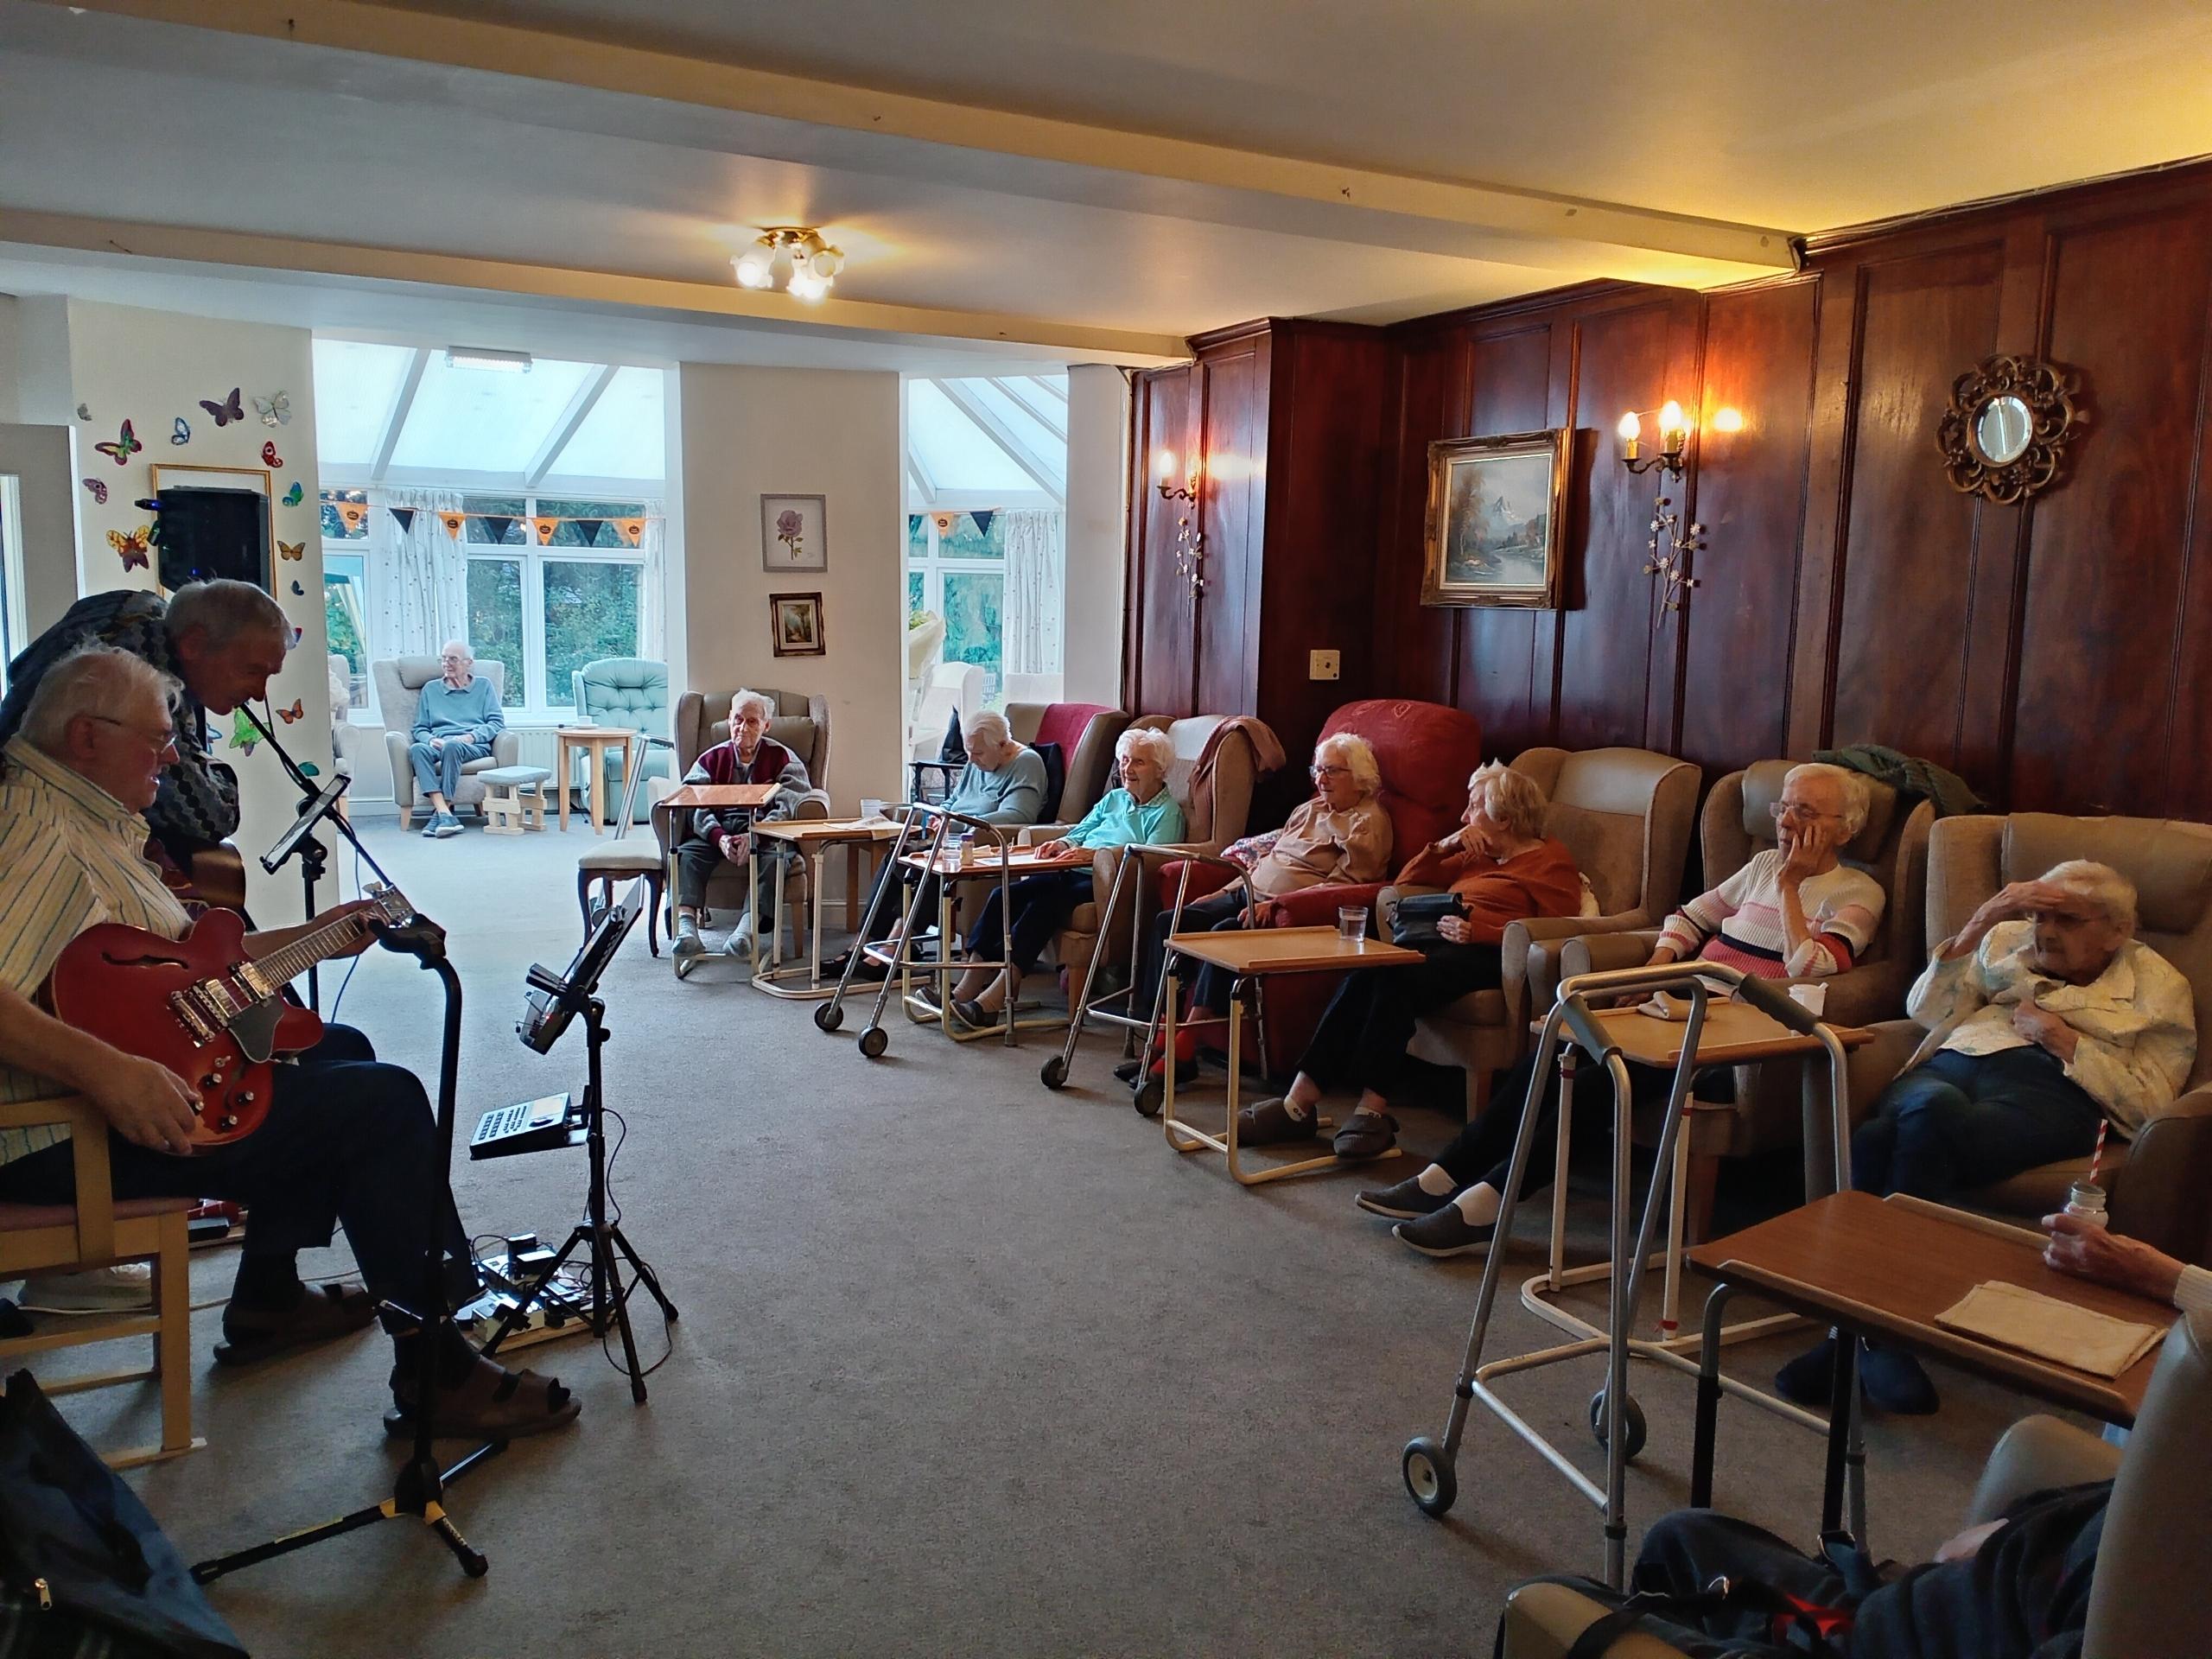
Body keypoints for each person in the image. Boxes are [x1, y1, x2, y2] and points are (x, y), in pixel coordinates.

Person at [0, 647, 576, 1438]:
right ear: (86, 736)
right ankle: (436, 1368)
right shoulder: (31, 833)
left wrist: (315, 934)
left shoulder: (78, 814)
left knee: (337, 1047)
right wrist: (109, 1072)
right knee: (385, 1106)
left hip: (116, 1090)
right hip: (65, 1133)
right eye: (158, 739)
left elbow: (190, 972)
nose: (174, 757)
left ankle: (266, 1300)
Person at [1608, 1212, 2205, 1659]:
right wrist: (2008, 1529)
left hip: (1879, 1640)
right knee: (1687, 1536)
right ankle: (1864, 1343)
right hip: (1921, 1600)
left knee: (1589, 1596)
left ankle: (1866, 1346)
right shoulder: (2167, 1503)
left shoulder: (2158, 1592)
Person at [1366, 761, 1885, 1256]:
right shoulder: (1762, 865)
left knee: (1601, 1083)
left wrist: (1792, 888)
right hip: (1677, 1004)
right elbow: (1687, 919)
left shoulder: (1858, 891)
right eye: (1782, 808)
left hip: (1740, 1033)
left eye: (1807, 814)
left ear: (1846, 829)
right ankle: (1445, 1175)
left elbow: (1812, 968)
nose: (1787, 822)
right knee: (1555, 1055)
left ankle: (1487, 1204)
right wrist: (1651, 973)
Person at [1776, 858, 2194, 1414]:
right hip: (1950, 1063)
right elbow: (1923, 1011)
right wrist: (1977, 925)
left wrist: (2065, 1042)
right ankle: (1882, 1336)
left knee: (1896, 1129)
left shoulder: (2159, 986)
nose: (2045, 930)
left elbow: (2153, 1103)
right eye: (2037, 914)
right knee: (1911, 1116)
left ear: (2118, 930)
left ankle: (1847, 1331)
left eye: (2067, 920)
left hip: (2050, 1094)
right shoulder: (2002, 942)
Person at [1241, 761, 1580, 1161]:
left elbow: (1556, 928)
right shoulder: (1476, 854)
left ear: (1504, 818)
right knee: (1370, 970)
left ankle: (1371, 1109)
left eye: (1473, 808)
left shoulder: (1550, 862)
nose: (1464, 816)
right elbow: (1405, 882)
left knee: (1396, 981)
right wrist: (1447, 845)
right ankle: (1299, 1102)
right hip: (1438, 944)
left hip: (1491, 957)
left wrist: (1482, 930)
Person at [1118, 731, 1394, 1090]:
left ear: (1360, 778)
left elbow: (1349, 887)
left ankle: (1183, 1048)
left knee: (1221, 937)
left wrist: (1279, 903)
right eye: (1318, 770)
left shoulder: (1367, 822)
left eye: (1332, 771)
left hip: (1285, 914)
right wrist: (1222, 890)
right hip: (1249, 893)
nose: (1320, 779)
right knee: (1170, 922)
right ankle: (1161, 1032)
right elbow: (1269, 858)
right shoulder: (1310, 809)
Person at [0, 579, 289, 867]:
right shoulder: (141, 672)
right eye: (251, 671)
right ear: (194, 644)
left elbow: (19, 669)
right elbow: (211, 817)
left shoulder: (132, 606)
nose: (258, 692)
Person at [944, 726, 1185, 1029]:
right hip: (1071, 870)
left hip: (1109, 886)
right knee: (1004, 895)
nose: (1127, 768)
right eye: (1124, 760)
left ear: (1161, 770)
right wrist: (1063, 844)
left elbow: (1153, 860)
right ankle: (968, 985)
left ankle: (993, 1000)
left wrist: (1097, 856)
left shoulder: (1167, 813)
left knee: (1043, 904)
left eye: (1138, 762)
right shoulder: (1115, 800)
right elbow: (1081, 829)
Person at [825, 709, 1048, 981]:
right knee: (897, 855)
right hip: (952, 836)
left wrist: (954, 823)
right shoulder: (975, 761)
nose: (971, 759)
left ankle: (894, 948)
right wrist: (938, 817)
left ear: (1002, 745)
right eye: (968, 751)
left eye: (977, 753)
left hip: (980, 845)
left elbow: (1018, 816)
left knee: (928, 867)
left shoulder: (1026, 763)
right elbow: (953, 800)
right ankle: (863, 942)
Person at [671, 689, 812, 961]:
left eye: (752, 721)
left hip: (764, 832)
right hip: (717, 829)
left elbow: (790, 807)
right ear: (729, 720)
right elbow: (692, 802)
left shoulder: (784, 758)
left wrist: (754, 837)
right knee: (686, 854)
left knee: (774, 858)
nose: (742, 727)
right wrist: (719, 837)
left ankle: (745, 932)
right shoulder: (709, 759)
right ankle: (687, 928)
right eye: (737, 720)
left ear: (766, 725)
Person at [407, 639, 505, 839]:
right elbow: (420, 728)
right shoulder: (430, 689)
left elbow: (496, 723)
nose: (446, 663)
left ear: (469, 662)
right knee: (417, 749)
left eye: (453, 659)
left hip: (473, 745)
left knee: (452, 745)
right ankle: (444, 812)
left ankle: (441, 814)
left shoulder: (483, 686)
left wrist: (471, 737)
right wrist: (431, 740)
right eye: (443, 658)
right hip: (440, 743)